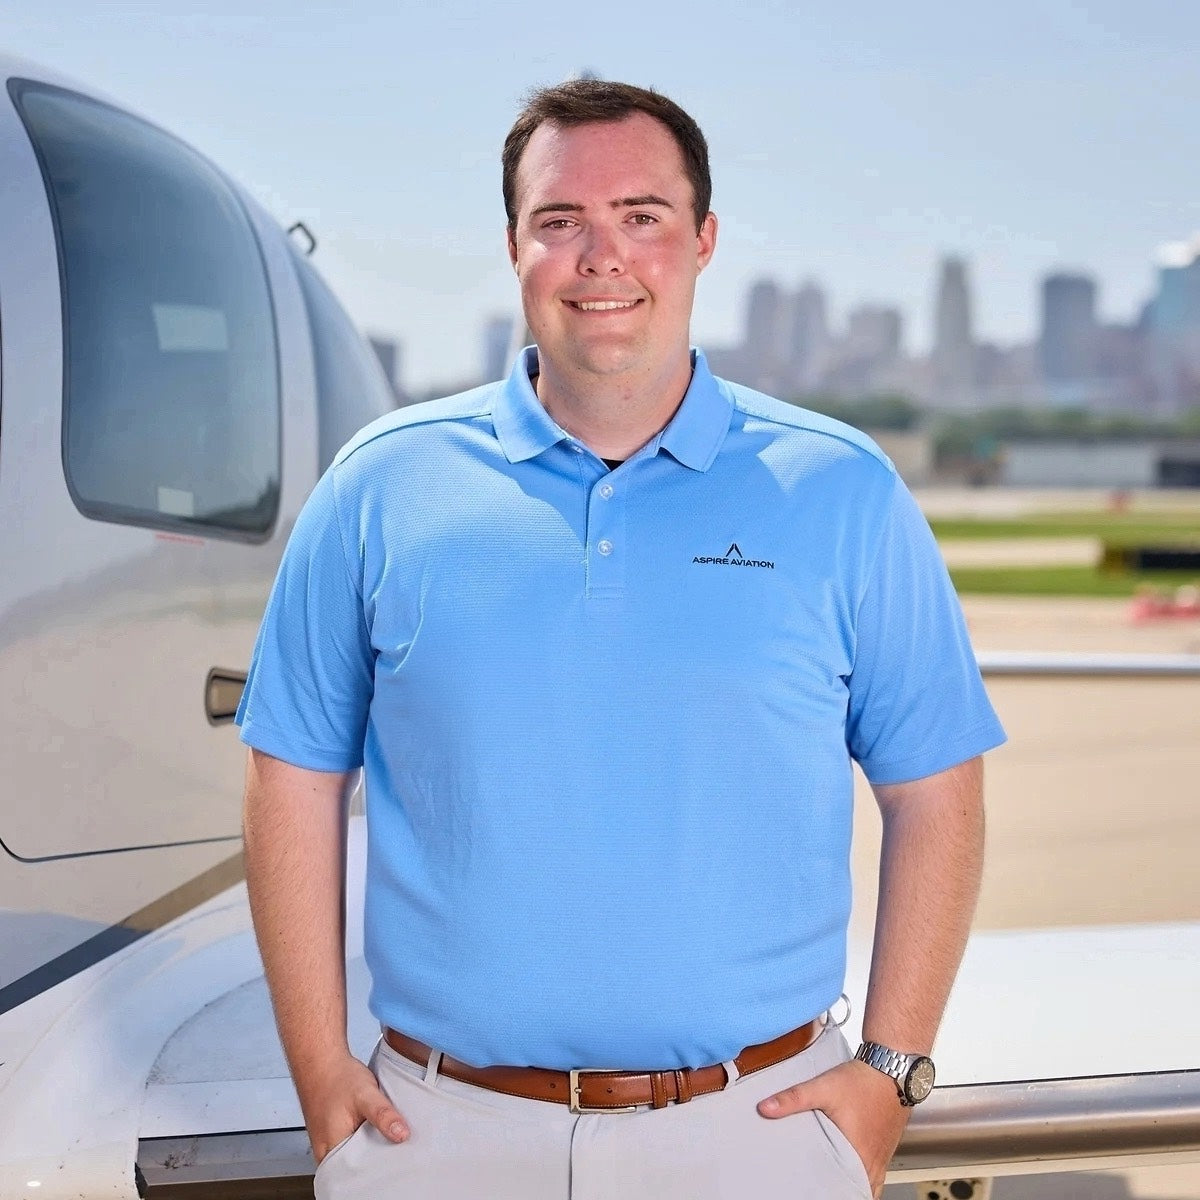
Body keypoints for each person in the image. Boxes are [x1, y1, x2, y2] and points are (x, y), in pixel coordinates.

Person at [237, 79, 1006, 1200]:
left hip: (758, 1130)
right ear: (514, 246)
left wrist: (891, 1071)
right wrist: (317, 1066)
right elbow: (291, 778)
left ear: (703, 240)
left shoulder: (841, 489)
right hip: (435, 1133)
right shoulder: (379, 486)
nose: (603, 256)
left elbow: (937, 791)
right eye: (561, 220)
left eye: (642, 215)